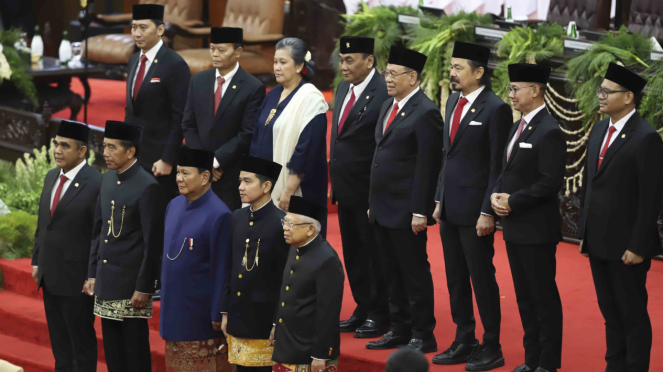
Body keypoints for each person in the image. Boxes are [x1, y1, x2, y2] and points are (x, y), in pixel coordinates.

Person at [431, 42, 512, 370]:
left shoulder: (496, 109)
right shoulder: (452, 100)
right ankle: (464, 339)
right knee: (454, 278)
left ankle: (491, 344)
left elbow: (498, 167)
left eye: (458, 68)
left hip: (475, 211)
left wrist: (486, 211)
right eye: (451, 67)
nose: (451, 73)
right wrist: (438, 198)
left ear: (478, 72)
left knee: (481, 277)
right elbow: (447, 155)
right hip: (450, 207)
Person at [578, 63, 663, 372]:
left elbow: (651, 198)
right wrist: (585, 232)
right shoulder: (600, 128)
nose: (600, 96)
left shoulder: (646, 137)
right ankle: (614, 365)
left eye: (606, 91)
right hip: (598, 240)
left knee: (631, 314)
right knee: (609, 312)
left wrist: (639, 245)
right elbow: (591, 183)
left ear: (628, 97)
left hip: (627, 246)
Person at [365, 46, 443, 354]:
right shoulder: (388, 106)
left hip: (407, 210)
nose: (388, 79)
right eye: (386, 73)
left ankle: (423, 333)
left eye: (393, 74)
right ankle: (399, 328)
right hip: (382, 206)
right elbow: (380, 155)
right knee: (390, 272)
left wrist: (420, 211)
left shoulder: (426, 112)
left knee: (413, 273)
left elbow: (427, 166)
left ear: (413, 77)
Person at [490, 64, 565, 372]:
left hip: (537, 229)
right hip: (515, 227)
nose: (511, 95)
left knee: (542, 298)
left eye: (515, 89)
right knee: (523, 298)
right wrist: (496, 195)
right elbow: (507, 170)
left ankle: (546, 363)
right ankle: (531, 358)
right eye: (510, 89)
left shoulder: (550, 130)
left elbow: (550, 182)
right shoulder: (518, 125)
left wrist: (513, 201)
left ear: (535, 90)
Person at [85, 121, 166, 372]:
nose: (105, 153)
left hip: (132, 287)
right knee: (113, 355)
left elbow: (152, 242)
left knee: (135, 356)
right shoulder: (107, 179)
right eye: (104, 147)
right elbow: (99, 231)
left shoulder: (147, 185)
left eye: (111, 147)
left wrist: (144, 286)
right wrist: (92, 273)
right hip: (107, 281)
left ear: (130, 151)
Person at [331, 36, 390, 338]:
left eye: (350, 60)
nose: (343, 66)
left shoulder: (383, 94)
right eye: (342, 60)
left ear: (369, 61)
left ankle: (380, 312)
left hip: (369, 191)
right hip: (345, 188)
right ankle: (363, 306)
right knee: (353, 253)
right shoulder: (343, 88)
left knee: (372, 254)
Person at [32, 120, 101, 372]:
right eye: (56, 144)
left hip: (77, 282)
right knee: (60, 348)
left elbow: (98, 233)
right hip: (49, 276)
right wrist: (37, 260)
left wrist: (92, 274)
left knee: (80, 347)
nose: (57, 150)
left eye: (65, 145)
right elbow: (44, 222)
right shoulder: (52, 176)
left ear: (82, 151)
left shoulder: (96, 183)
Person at [159, 146, 234, 372]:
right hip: (173, 310)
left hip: (200, 318)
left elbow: (222, 268)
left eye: (185, 173)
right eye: (178, 172)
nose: (179, 179)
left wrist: (217, 312)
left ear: (205, 177)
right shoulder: (174, 204)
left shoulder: (219, 214)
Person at [249, 37, 328, 236]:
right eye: (275, 62)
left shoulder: (311, 100)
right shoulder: (272, 94)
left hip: (296, 191)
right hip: (265, 186)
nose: (277, 67)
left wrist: (288, 190)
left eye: (283, 62)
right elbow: (257, 137)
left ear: (300, 65)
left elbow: (306, 150)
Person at [182, 27, 266, 211]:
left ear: (238, 52)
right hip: (197, 172)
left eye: (221, 50)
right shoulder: (198, 80)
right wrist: (204, 163)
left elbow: (247, 133)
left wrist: (214, 163)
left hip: (228, 173)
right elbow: (188, 124)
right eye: (212, 49)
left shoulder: (253, 87)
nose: (215, 54)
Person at [221, 155, 289, 372]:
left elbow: (285, 278)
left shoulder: (282, 224)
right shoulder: (237, 218)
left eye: (247, 181)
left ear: (267, 186)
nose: (240, 187)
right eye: (240, 180)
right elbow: (229, 267)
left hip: (264, 318)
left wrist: (278, 322)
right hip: (238, 314)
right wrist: (225, 311)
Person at [125, 3, 191, 200]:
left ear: (160, 29)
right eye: (134, 27)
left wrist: (167, 159)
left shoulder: (175, 64)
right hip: (134, 155)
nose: (137, 33)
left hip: (158, 160)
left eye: (143, 27)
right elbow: (132, 109)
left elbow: (180, 116)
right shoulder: (134, 59)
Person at [271, 196, 344, 372]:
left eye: (291, 224)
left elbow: (328, 313)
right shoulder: (294, 246)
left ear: (311, 229)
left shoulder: (327, 260)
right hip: (287, 343)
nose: (285, 228)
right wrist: (276, 325)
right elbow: (285, 292)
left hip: (308, 351)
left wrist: (320, 355)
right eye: (285, 222)